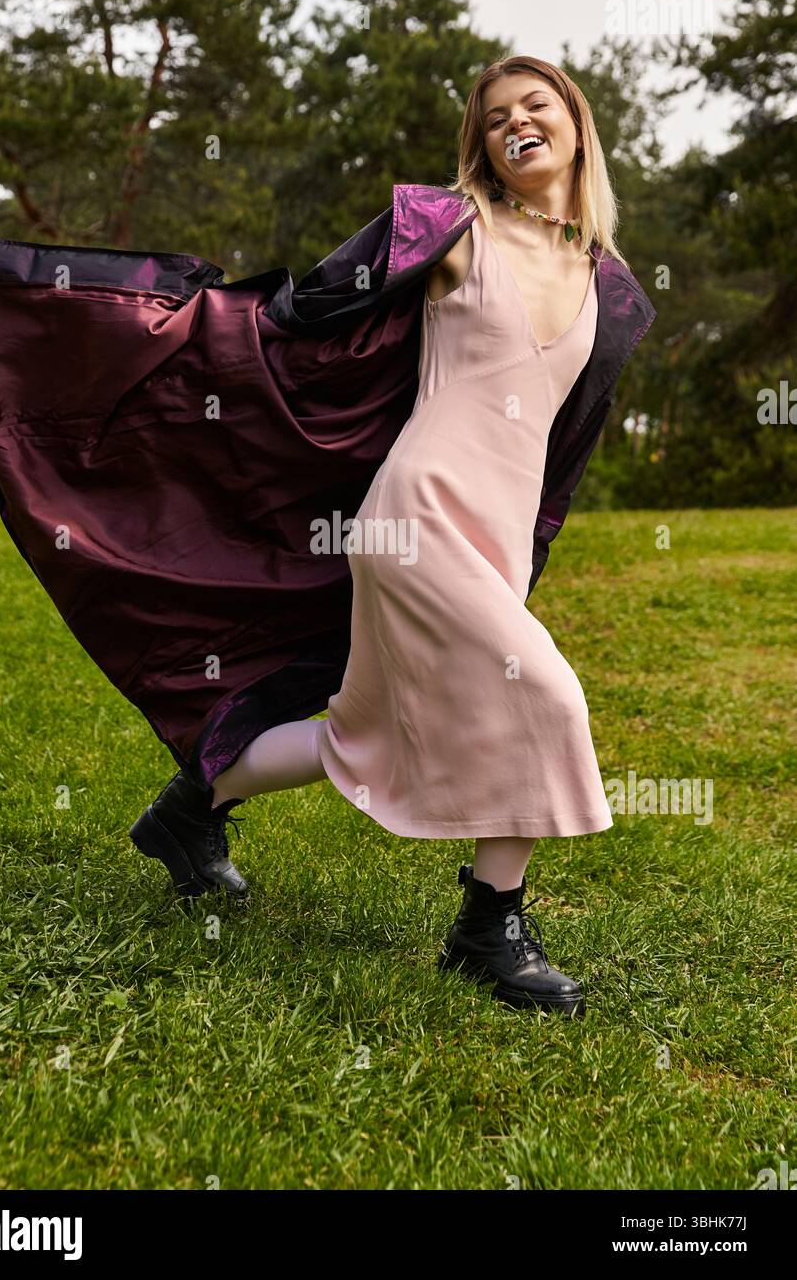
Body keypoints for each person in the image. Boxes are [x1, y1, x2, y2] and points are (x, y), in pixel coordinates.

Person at [131, 55, 654, 1019]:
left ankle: (188, 812)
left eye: (537, 106)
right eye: (496, 118)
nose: (517, 124)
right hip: (418, 513)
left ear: (577, 126)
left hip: (494, 528)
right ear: (483, 148)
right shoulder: (451, 227)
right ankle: (488, 929)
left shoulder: (610, 286)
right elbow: (309, 308)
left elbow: (561, 439)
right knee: (546, 694)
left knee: (355, 731)